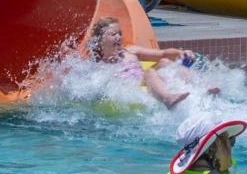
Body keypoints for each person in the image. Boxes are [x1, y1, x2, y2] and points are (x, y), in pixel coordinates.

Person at [87, 16, 218, 109]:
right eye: (113, 34)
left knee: (165, 62)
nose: (118, 37)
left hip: (148, 83)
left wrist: (179, 53)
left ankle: (201, 87)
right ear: (100, 40)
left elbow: (163, 53)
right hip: (131, 89)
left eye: (120, 34)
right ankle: (167, 98)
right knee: (149, 71)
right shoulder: (97, 65)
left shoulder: (131, 51)